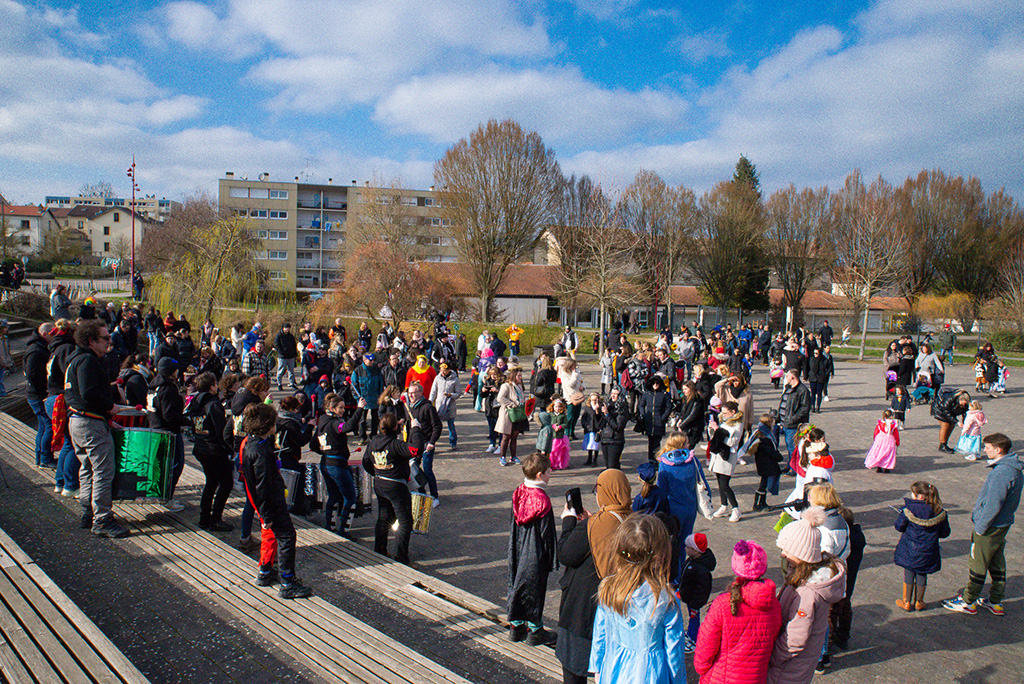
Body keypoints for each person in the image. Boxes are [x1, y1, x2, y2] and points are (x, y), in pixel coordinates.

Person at [589, 514, 686, 684]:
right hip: (651, 675)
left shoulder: (608, 588)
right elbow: (674, 655)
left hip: (614, 669)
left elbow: (600, 634)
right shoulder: (666, 601)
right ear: (661, 555)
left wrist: (597, 668)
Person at [555, 468, 631, 684]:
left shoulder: (592, 526)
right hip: (619, 610)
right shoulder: (635, 522)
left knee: (574, 671)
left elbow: (566, 554)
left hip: (583, 612)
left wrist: (569, 521)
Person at [943, 433, 1023, 616]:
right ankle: (995, 601)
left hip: (989, 526)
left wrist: (980, 527)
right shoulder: (1015, 469)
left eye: (987, 447)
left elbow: (993, 504)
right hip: (1003, 524)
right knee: (996, 562)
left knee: (978, 563)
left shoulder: (1001, 473)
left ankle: (968, 601)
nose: (984, 450)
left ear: (998, 449)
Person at [239, 403, 312, 599]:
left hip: (267, 502)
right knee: (287, 537)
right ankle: (287, 582)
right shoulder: (261, 451)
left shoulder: (251, 444)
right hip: (272, 503)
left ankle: (265, 571)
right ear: (267, 425)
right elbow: (263, 486)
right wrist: (266, 514)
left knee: (273, 536)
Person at [768, 507, 847, 684]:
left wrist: (773, 656)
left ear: (802, 554)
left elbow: (795, 638)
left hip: (787, 671)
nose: (783, 554)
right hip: (795, 667)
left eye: (787, 551)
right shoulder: (801, 577)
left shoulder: (808, 594)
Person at [65, 320, 129, 538]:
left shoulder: (75, 358)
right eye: (105, 339)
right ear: (91, 341)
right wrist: (111, 408)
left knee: (86, 468)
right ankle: (102, 519)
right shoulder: (88, 361)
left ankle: (87, 512)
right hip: (89, 422)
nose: (109, 343)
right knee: (102, 472)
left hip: (78, 420)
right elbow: (89, 393)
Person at [694, 540, 782, 684]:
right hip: (756, 678)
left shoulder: (723, 604)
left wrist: (702, 669)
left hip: (722, 677)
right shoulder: (774, 605)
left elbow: (706, 646)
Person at [507, 452, 558, 646]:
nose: (550, 473)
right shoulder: (542, 500)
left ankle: (516, 626)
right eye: (547, 471)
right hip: (535, 549)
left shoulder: (519, 491)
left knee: (517, 581)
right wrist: (551, 557)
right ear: (539, 475)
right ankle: (535, 631)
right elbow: (547, 533)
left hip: (518, 546)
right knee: (535, 588)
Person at [363, 413, 414, 564]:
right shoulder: (395, 444)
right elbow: (415, 449)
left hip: (380, 483)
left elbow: (366, 461)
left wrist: (378, 471)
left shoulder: (373, 442)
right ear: (394, 427)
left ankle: (379, 549)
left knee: (384, 517)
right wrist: (416, 429)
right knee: (405, 521)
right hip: (396, 485)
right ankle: (401, 557)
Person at [657, 433, 711, 572]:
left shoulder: (665, 464)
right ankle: (681, 573)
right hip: (690, 508)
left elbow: (662, 490)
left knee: (671, 545)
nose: (689, 444)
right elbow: (703, 482)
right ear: (681, 445)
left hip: (673, 510)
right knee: (684, 544)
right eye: (687, 442)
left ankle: (673, 574)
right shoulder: (692, 461)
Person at [188, 372, 234, 531]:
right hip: (213, 449)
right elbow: (221, 431)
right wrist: (230, 449)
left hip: (201, 446)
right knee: (226, 483)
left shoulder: (195, 401)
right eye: (215, 383)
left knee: (211, 482)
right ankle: (216, 518)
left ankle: (204, 517)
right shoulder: (213, 404)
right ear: (211, 386)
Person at [893, 481, 949, 611]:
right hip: (929, 549)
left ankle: (906, 601)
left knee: (909, 572)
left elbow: (899, 526)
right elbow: (945, 532)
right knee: (922, 574)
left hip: (910, 547)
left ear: (920, 497)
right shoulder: (939, 511)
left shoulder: (909, 510)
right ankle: (919, 601)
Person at [315, 394, 366, 536]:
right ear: (332, 408)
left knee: (333, 496)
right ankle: (344, 530)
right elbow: (347, 427)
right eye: (341, 408)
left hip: (326, 462)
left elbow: (314, 444)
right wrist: (360, 409)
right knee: (350, 498)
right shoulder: (334, 423)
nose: (343, 410)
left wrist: (325, 448)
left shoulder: (322, 421)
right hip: (336, 464)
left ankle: (329, 526)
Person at [24, 322, 55, 468]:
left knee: (43, 426)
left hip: (36, 394)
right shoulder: (36, 351)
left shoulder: (39, 348)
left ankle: (41, 457)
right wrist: (44, 392)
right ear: (44, 334)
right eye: (52, 334)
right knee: (48, 425)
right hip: (37, 395)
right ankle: (45, 458)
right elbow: (32, 375)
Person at [679, 532, 716, 653]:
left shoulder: (700, 569)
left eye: (688, 547)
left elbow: (702, 589)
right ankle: (691, 633)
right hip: (690, 597)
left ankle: (693, 639)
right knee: (692, 617)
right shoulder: (694, 560)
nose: (685, 549)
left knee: (694, 618)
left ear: (695, 551)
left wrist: (696, 603)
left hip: (694, 601)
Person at [745, 414, 783, 511]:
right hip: (767, 465)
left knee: (764, 484)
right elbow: (772, 452)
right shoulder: (765, 438)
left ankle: (761, 502)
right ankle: (758, 504)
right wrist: (779, 457)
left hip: (762, 464)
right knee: (763, 485)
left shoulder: (759, 434)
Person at [496, 365, 528, 468]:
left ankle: (513, 456)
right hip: (508, 414)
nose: (520, 378)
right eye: (519, 376)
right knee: (506, 437)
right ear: (513, 376)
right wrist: (512, 404)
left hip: (518, 414)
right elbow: (500, 398)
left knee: (514, 437)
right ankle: (502, 457)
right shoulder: (506, 386)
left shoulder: (519, 386)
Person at [638, 376, 673, 463]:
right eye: (654, 383)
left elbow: (669, 407)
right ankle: (650, 459)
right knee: (650, 442)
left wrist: (663, 417)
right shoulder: (647, 394)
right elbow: (641, 404)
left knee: (657, 443)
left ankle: (656, 459)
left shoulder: (663, 395)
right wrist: (643, 414)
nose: (655, 385)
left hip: (659, 421)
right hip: (649, 421)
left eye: (657, 383)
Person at [777, 370, 811, 458]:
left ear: (792, 377)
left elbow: (805, 408)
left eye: (787, 376)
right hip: (784, 422)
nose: (785, 378)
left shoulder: (802, 390)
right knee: (789, 446)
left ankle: (794, 468)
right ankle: (790, 465)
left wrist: (792, 419)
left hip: (793, 424)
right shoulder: (788, 388)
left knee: (792, 447)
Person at [429, 361, 460, 451]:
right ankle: (432, 443)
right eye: (441, 370)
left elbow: (458, 393)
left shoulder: (455, 379)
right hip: (439, 405)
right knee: (436, 425)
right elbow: (433, 392)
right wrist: (430, 403)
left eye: (445, 370)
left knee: (451, 425)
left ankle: (453, 443)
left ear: (449, 370)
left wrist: (451, 395)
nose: (442, 372)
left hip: (450, 406)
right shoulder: (437, 378)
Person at [932, 387, 970, 453]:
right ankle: (942, 445)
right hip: (939, 409)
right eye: (962, 403)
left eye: (965, 404)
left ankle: (945, 443)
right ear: (959, 399)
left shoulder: (966, 402)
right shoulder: (950, 399)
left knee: (952, 425)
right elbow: (946, 412)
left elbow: (965, 412)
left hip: (951, 411)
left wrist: (965, 423)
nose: (963, 405)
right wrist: (957, 422)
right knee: (945, 425)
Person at [599, 386, 629, 470]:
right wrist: (598, 412)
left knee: (612, 466)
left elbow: (618, 427)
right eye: (612, 393)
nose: (613, 396)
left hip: (615, 441)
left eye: (616, 394)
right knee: (608, 465)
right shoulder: (607, 405)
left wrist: (607, 415)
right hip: (605, 439)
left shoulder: (623, 409)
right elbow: (600, 424)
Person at [864, 409, 900, 474]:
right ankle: (886, 467)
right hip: (889, 439)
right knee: (888, 453)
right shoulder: (893, 424)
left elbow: (876, 431)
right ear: (891, 416)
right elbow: (896, 434)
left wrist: (875, 439)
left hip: (880, 439)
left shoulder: (880, 422)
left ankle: (879, 467)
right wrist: (897, 442)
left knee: (879, 452)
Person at [580, 393, 603, 467]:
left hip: (596, 429)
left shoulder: (600, 408)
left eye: (595, 400)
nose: (594, 401)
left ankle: (595, 459)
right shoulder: (587, 407)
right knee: (589, 445)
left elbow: (601, 418)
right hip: (589, 428)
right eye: (592, 400)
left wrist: (597, 411)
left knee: (595, 445)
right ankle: (589, 458)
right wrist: (585, 425)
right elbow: (583, 417)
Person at [274, 322, 299, 391]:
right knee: (281, 370)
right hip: (282, 356)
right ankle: (279, 383)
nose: (287, 329)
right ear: (283, 328)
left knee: (291, 371)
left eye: (288, 328)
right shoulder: (279, 336)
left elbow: (294, 345)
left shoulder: (291, 336)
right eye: (286, 328)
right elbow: (276, 344)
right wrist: (281, 351)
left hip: (291, 356)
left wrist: (295, 354)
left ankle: (292, 383)